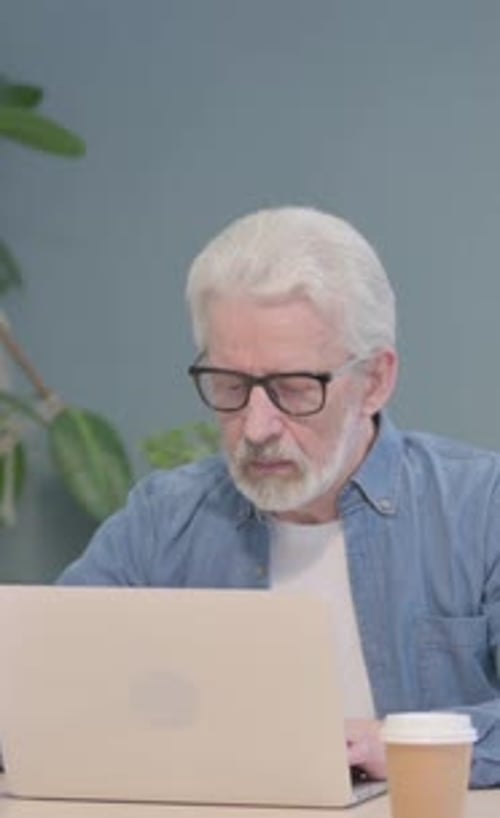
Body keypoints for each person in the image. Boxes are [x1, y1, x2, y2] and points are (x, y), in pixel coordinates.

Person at [59, 206, 500, 787]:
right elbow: (44, 684)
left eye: (294, 389)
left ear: (374, 380)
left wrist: (401, 743)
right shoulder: (163, 521)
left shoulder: (480, 506)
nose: (257, 425)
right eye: (230, 386)